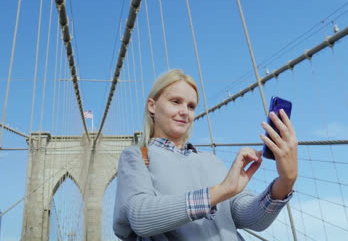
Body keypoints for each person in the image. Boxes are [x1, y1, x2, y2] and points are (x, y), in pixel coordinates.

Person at [113, 69, 298, 240]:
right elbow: (139, 217)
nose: (185, 112)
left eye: (191, 106)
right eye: (175, 101)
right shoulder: (136, 157)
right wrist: (221, 191)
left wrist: (285, 181)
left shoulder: (211, 160)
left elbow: (253, 220)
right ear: (152, 106)